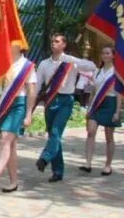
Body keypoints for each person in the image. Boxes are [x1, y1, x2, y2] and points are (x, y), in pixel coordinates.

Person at [34, 33, 96, 183]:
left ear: (64, 45)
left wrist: (70, 59)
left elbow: (92, 66)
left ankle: (45, 158)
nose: (53, 44)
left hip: (66, 100)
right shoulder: (44, 64)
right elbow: (37, 85)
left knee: (56, 131)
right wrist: (31, 104)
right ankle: (58, 171)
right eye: (52, 41)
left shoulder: (71, 62)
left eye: (57, 41)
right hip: (50, 100)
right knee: (54, 136)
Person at [0, 45, 37, 193]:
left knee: (5, 139)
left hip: (18, 104)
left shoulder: (27, 66)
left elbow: (31, 91)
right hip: (3, 104)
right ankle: (14, 182)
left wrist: (28, 114)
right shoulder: (2, 63)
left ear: (21, 46)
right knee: (11, 145)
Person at [80, 45, 123, 176]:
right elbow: (93, 91)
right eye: (103, 53)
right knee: (91, 131)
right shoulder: (97, 71)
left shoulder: (116, 72)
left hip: (110, 103)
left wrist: (117, 111)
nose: (105, 55)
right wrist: (89, 106)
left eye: (108, 53)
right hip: (97, 104)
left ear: (113, 55)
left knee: (109, 136)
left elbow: (119, 94)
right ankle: (88, 163)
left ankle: (108, 165)